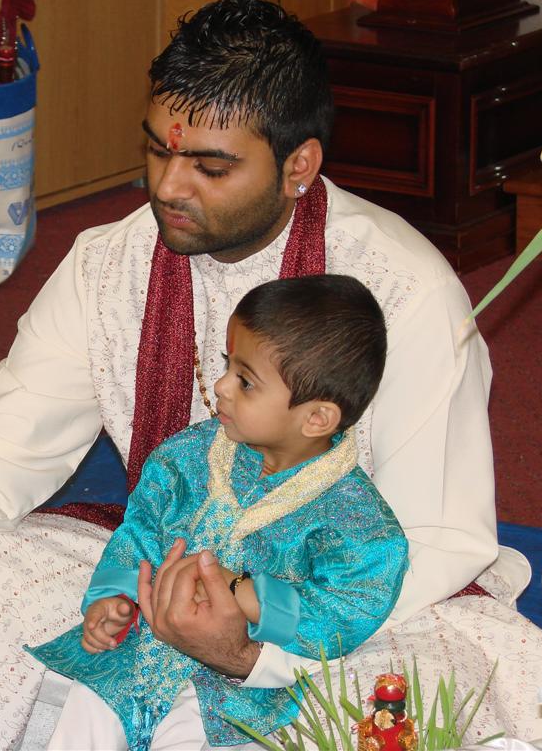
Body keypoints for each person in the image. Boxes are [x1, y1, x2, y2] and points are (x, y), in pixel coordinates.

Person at [0, 0, 540, 747]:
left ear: (300, 166)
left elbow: (437, 537)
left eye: (210, 166)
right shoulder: (109, 265)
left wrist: (255, 643)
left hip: (342, 604)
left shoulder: (401, 288)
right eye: (158, 148)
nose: (167, 186)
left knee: (406, 706)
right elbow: (1, 459)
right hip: (151, 567)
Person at [27, 275, 409, 749]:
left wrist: (244, 594)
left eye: (246, 382)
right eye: (228, 366)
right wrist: (117, 597)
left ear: (316, 419)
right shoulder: (189, 456)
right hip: (141, 647)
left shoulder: (359, 524)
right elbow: (142, 531)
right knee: (87, 707)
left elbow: (347, 610)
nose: (221, 386)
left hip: (231, 691)